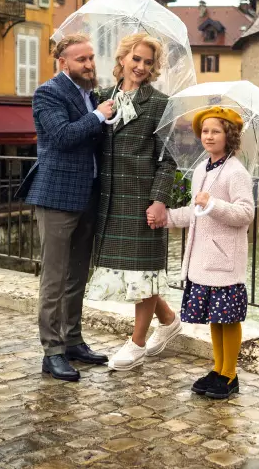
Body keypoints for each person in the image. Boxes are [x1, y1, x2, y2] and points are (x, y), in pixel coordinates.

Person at [21, 34, 114, 382]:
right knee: (55, 278)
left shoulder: (91, 94)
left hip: (88, 194)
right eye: (81, 60)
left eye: (91, 58)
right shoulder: (48, 93)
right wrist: (99, 116)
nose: (89, 65)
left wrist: (106, 116)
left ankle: (73, 340)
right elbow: (61, 135)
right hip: (57, 196)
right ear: (63, 63)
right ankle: (53, 351)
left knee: (78, 275)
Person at [86, 33, 181, 371]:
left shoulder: (160, 104)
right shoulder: (99, 97)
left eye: (148, 62)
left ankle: (137, 343)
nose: (141, 66)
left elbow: (168, 160)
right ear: (123, 59)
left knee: (144, 273)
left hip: (142, 198)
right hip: (108, 200)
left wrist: (160, 200)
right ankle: (169, 321)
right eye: (136, 59)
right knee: (133, 275)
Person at [163, 107, 255, 399]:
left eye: (215, 131)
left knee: (228, 319)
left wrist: (213, 203)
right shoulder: (203, 168)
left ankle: (230, 375)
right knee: (216, 318)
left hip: (225, 259)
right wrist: (167, 218)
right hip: (204, 258)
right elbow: (195, 212)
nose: (208, 136)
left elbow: (246, 213)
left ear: (228, 135)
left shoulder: (236, 171)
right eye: (205, 131)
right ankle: (218, 369)